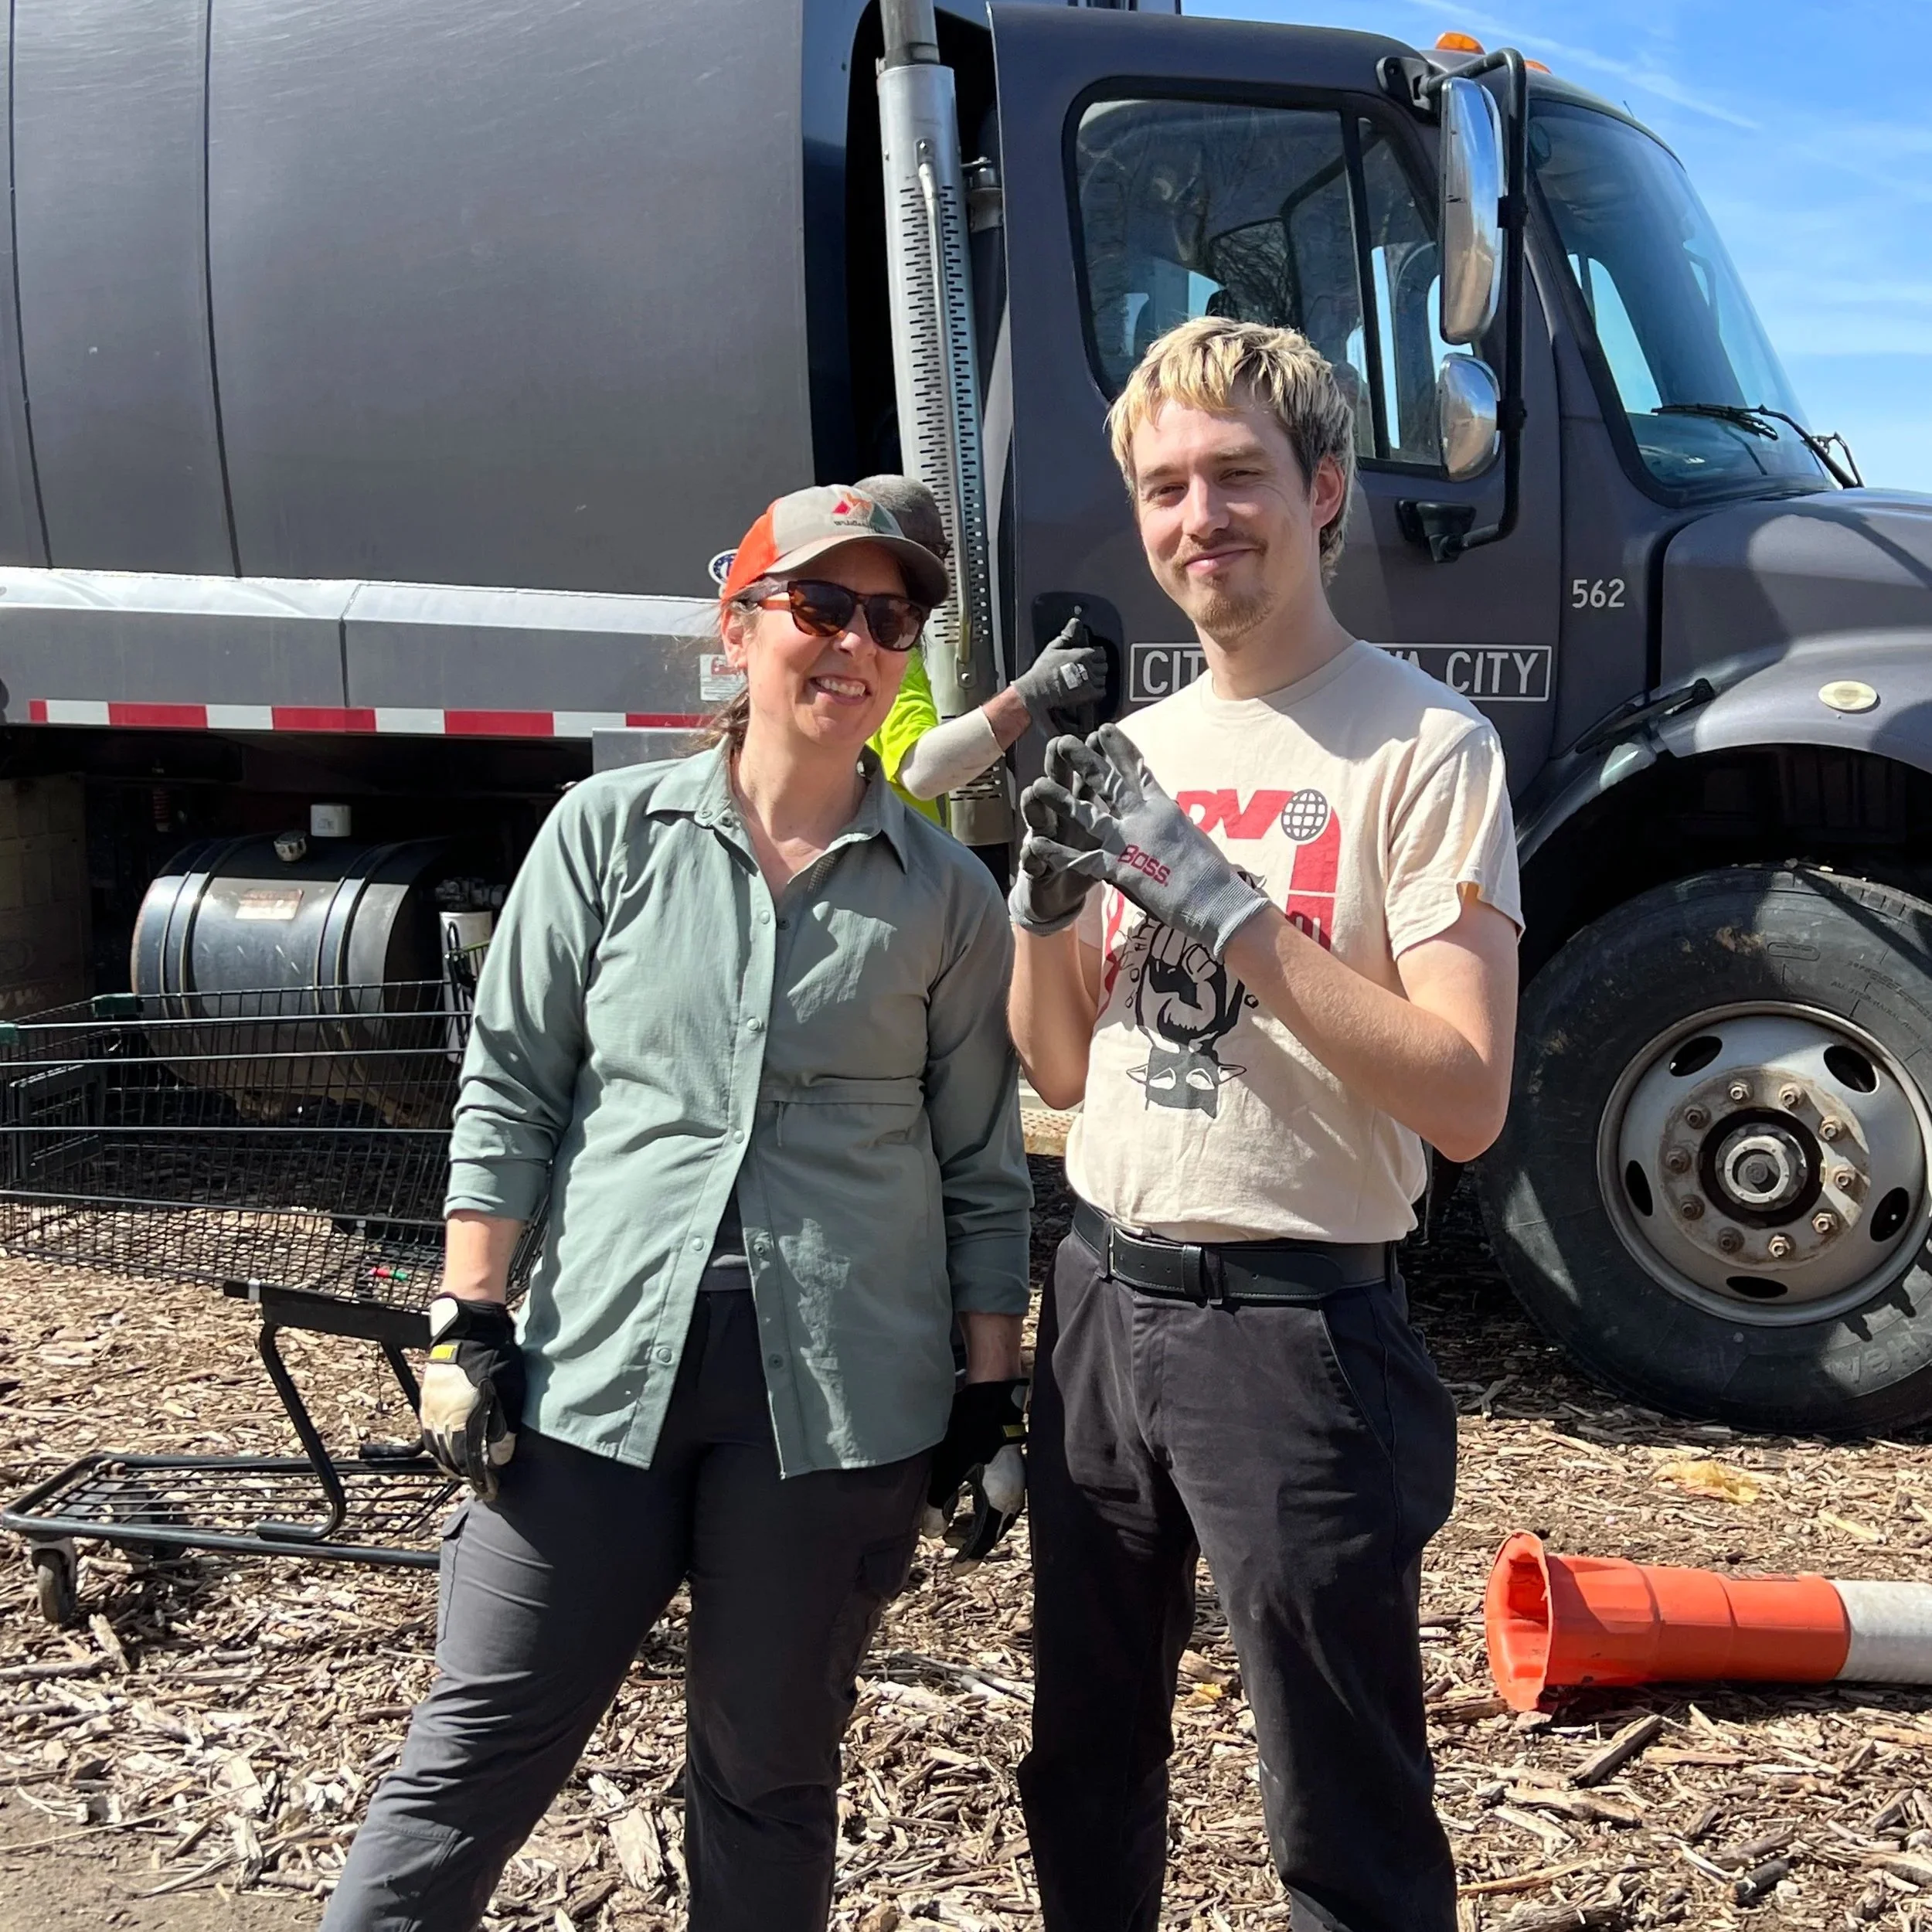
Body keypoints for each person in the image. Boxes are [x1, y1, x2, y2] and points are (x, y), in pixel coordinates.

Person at [324, 484, 1032, 1932]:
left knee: (768, 1776)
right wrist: (467, 1315)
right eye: (819, 607)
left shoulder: (949, 896)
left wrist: (991, 1404)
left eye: (888, 619)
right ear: (741, 624)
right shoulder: (605, 834)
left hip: (833, 1408)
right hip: (593, 1381)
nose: (853, 645)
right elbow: (511, 1086)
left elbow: (980, 1164)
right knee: (474, 1756)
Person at [1006, 317, 1522, 1932]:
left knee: (1339, 1802)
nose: (1195, 516)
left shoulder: (1426, 747)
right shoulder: (1138, 750)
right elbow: (1062, 1066)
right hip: (1095, 1302)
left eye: (1235, 475)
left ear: (1322, 492)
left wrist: (1226, 907)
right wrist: (1037, 907)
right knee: (1082, 1757)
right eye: (1163, 486)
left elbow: (1462, 1094)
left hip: (1294, 1336)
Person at [854, 472, 1111, 822]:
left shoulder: (872, 632)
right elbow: (922, 773)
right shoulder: (875, 641)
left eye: (941, 553)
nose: (935, 573)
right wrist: (1032, 693)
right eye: (924, 555)